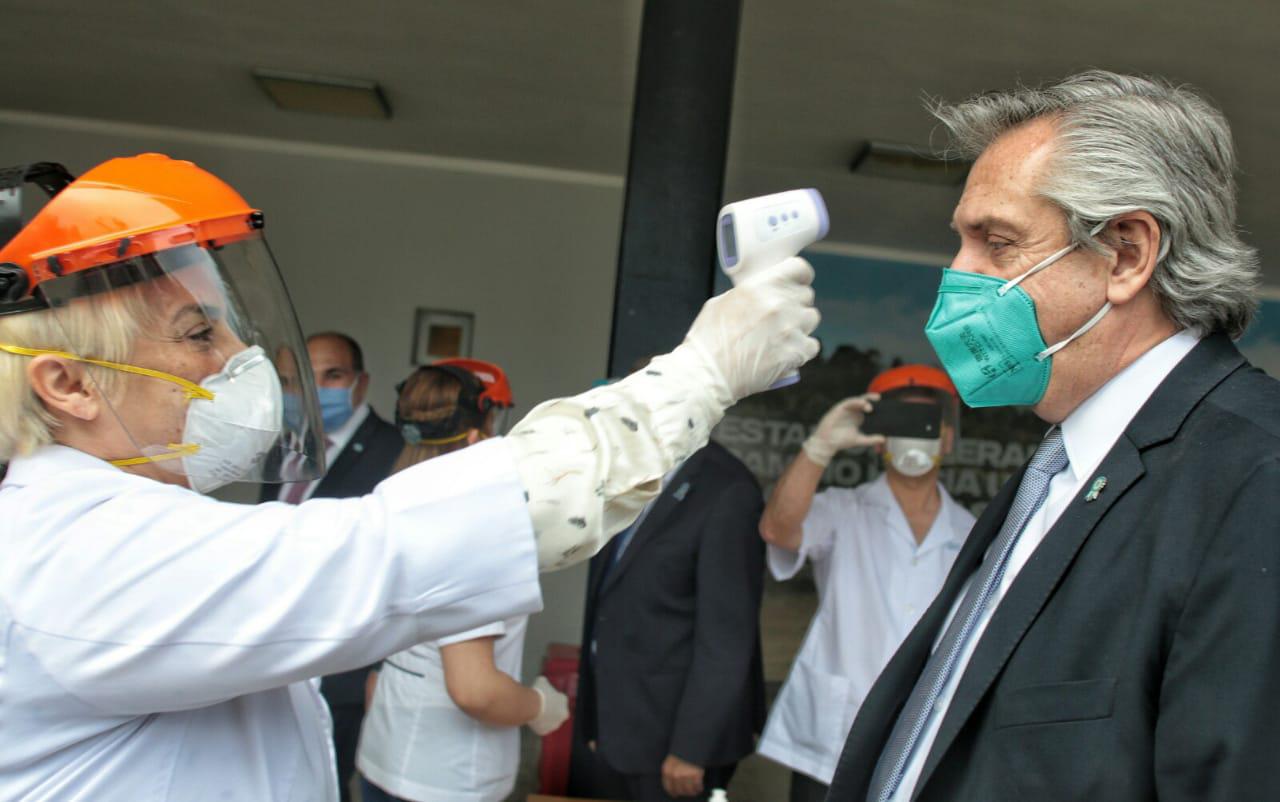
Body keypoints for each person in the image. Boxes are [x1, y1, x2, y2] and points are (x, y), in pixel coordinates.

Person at [0, 153, 819, 801]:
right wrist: (701, 374)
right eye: (196, 335)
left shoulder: (105, 525)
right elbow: (393, 553)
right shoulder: (81, 559)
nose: (239, 360)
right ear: (68, 385)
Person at [826, 71, 1280, 802]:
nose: (957, 275)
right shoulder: (1066, 461)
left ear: (1127, 254)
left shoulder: (1258, 477)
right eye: (961, 242)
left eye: (997, 242)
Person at [756, 365, 975, 802]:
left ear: (949, 437)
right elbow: (777, 529)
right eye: (902, 421)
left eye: (928, 421)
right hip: (832, 741)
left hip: (921, 739)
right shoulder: (843, 509)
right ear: (878, 438)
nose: (916, 434)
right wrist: (819, 447)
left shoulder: (970, 532)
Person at [357, 359, 569, 802]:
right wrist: (541, 705)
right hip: (446, 778)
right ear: (477, 435)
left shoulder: (390, 501)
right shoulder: (475, 527)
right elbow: (474, 690)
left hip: (384, 752)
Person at [568, 439, 766, 801]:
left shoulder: (728, 489)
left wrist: (691, 749)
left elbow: (726, 639)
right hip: (615, 726)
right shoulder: (628, 469)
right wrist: (592, 720)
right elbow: (608, 602)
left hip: (672, 747)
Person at [262, 330, 404, 802]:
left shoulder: (394, 451)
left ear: (361, 384)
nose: (314, 389)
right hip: (272, 656)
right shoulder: (283, 448)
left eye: (333, 375)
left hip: (343, 665)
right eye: (298, 379)